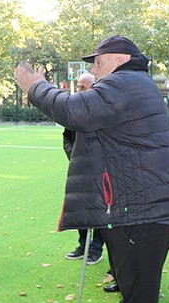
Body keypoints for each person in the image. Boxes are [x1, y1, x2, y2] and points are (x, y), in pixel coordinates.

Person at [15, 35, 169, 303]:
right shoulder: (130, 83)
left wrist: (36, 86)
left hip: (145, 208)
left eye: (97, 61)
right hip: (140, 204)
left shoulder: (123, 83)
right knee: (129, 281)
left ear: (119, 58)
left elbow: (74, 110)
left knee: (139, 287)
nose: (93, 68)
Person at [62, 72, 105, 266]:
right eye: (78, 86)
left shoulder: (102, 110)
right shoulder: (74, 111)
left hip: (100, 171)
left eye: (83, 87)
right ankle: (83, 245)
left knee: (100, 210)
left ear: (94, 88)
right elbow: (66, 136)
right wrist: (74, 155)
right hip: (79, 170)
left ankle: (96, 249)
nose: (79, 90)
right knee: (80, 208)